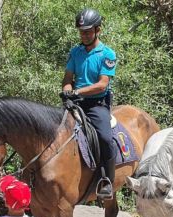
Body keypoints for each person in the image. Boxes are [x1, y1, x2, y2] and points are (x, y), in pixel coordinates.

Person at [61, 8, 118, 200]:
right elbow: (68, 77)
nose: (84, 35)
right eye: (81, 32)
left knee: (105, 137)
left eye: (87, 31)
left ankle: (107, 181)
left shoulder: (107, 54)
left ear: (98, 30)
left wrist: (76, 91)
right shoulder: (75, 52)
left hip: (97, 105)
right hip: (75, 103)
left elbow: (102, 84)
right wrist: (67, 89)